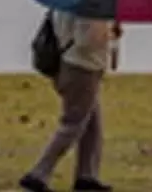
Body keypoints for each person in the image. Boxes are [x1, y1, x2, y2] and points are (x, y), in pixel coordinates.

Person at [20, 11, 120, 192]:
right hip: (82, 68)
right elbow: (86, 41)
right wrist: (111, 33)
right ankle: (38, 173)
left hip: (66, 64)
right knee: (73, 123)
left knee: (92, 124)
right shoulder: (91, 4)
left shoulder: (65, 0)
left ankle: (87, 176)